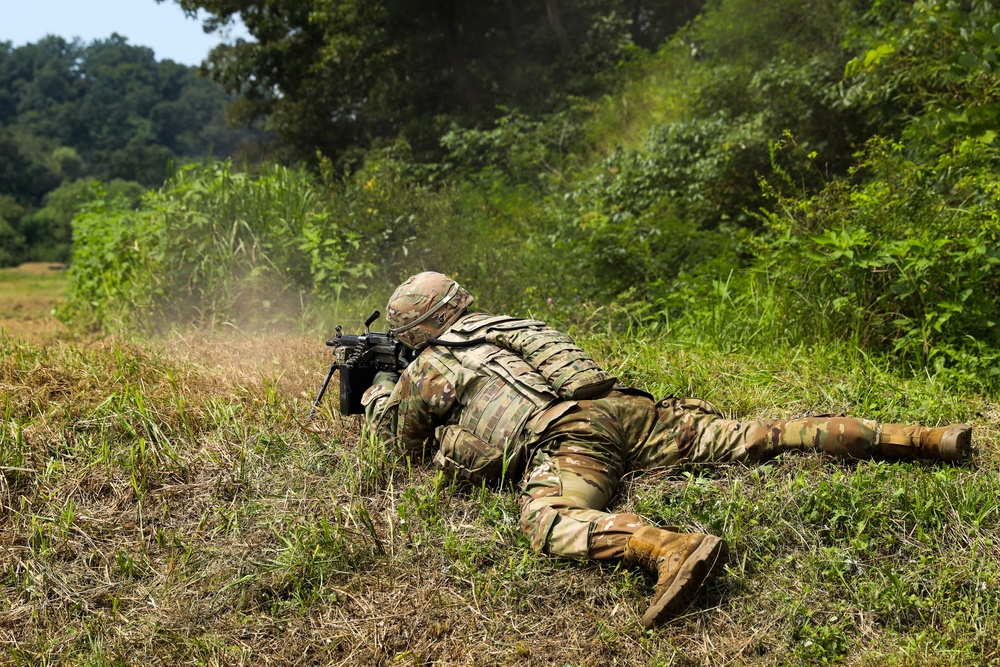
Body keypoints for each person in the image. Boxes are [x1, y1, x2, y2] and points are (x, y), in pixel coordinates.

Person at [361, 271, 973, 629]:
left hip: (573, 436)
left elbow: (398, 451)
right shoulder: (510, 324)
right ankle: (921, 439)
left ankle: (667, 548)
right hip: (626, 407)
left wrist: (382, 390)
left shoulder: (435, 365)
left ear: (415, 329)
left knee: (548, 521)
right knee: (755, 434)